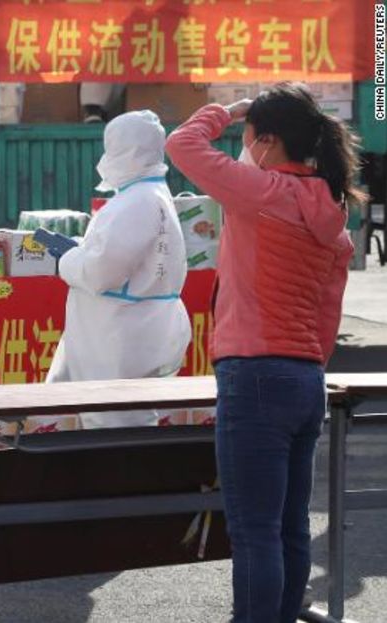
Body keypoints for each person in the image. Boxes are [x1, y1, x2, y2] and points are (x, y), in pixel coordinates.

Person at [167, 83, 360, 622]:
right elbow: (329, 309)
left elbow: (182, 144)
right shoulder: (330, 208)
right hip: (303, 379)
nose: (242, 145)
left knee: (254, 533)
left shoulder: (262, 190)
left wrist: (225, 111)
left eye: (248, 137)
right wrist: (309, 364)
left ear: (268, 141)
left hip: (252, 374)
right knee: (290, 527)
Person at [45, 110, 191, 429]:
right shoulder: (147, 195)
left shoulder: (135, 202)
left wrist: (66, 258)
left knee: (115, 425)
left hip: (119, 337)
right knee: (121, 421)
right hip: (129, 332)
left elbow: (101, 272)